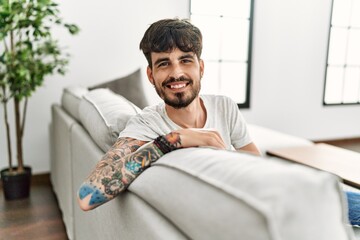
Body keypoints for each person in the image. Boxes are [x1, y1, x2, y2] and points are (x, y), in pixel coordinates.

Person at [77, 18, 260, 211]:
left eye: (186, 60)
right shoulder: (146, 125)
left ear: (201, 68)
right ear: (151, 75)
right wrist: (172, 140)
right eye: (164, 64)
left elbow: (258, 168)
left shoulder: (225, 107)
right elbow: (87, 196)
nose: (176, 73)